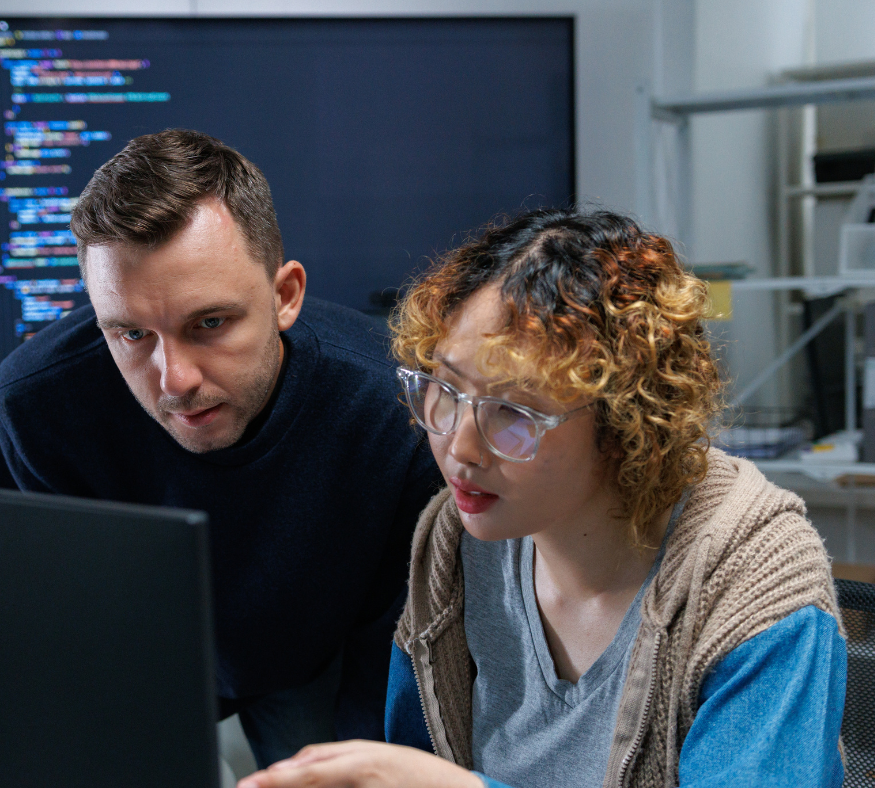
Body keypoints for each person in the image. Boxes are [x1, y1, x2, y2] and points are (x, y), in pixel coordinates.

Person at [239, 208, 847, 788]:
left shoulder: (751, 576)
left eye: (515, 411)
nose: (461, 447)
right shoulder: (456, 543)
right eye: (445, 389)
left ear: (625, 424)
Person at [0, 129, 442, 766]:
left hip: (311, 657)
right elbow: (56, 628)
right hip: (139, 664)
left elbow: (393, 643)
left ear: (285, 296)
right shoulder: (34, 406)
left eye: (209, 323)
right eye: (131, 334)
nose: (176, 380)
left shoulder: (390, 407)